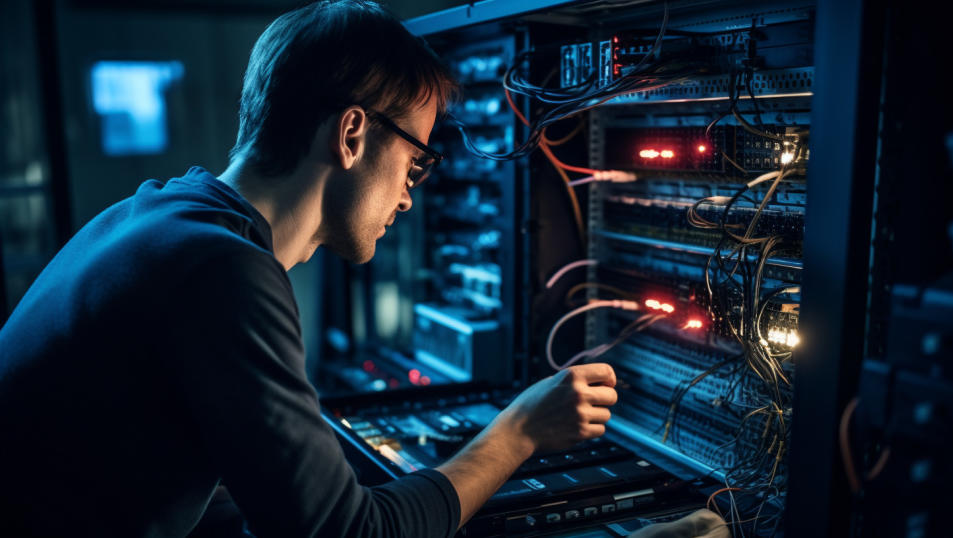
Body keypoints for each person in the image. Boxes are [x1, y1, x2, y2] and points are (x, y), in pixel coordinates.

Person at [0, 1, 619, 537]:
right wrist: (519, 431)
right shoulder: (224, 273)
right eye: (415, 162)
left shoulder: (153, 215)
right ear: (352, 134)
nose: (408, 196)